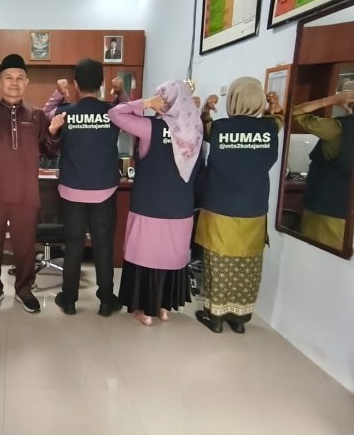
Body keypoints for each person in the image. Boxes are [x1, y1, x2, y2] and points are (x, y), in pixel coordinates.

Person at [0, 53, 66, 313]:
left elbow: (49, 151)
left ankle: (24, 289)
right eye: (9, 78)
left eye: (20, 78)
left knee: (25, 246)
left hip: (25, 193)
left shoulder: (37, 115)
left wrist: (53, 132)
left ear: (26, 83)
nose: (14, 83)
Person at [109, 80, 202, 326]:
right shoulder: (195, 129)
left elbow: (115, 113)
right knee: (171, 256)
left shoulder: (151, 127)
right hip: (180, 207)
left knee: (145, 255)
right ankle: (163, 308)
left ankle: (145, 311)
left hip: (148, 204)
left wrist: (146, 103)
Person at [194, 77, 283, 334]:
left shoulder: (220, 128)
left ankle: (215, 318)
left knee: (219, 263)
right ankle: (239, 320)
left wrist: (206, 110)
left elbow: (203, 127)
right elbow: (279, 118)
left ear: (233, 99)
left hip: (220, 207)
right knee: (247, 264)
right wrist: (273, 106)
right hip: (253, 208)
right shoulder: (269, 127)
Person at [42, 58, 127, 316]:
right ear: (101, 84)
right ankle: (106, 300)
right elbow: (133, 113)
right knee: (103, 245)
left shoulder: (65, 112)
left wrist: (58, 93)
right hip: (104, 190)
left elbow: (44, 115)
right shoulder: (113, 112)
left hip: (72, 190)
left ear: (76, 84)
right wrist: (121, 92)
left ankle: (69, 300)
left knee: (73, 244)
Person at [292, 86, 354, 249]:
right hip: (345, 210)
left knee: (316, 256)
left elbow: (295, 113)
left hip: (327, 210)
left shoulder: (337, 129)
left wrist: (330, 100)